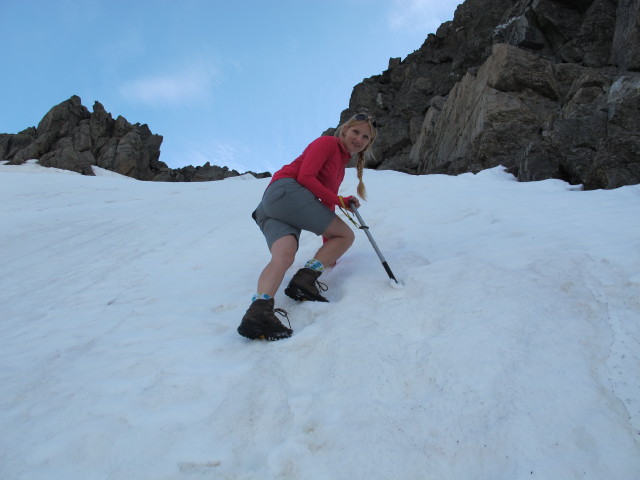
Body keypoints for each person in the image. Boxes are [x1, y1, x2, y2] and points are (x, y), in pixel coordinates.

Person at [237, 113, 378, 341]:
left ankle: (258, 312)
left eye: (365, 137)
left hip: (273, 208)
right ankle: (304, 280)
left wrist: (329, 251)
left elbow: (325, 204)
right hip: (287, 191)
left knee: (283, 257)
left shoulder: (340, 167)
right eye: (356, 132)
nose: (359, 139)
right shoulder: (327, 143)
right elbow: (306, 177)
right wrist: (340, 200)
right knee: (346, 235)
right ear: (344, 130)